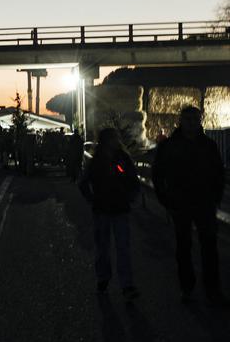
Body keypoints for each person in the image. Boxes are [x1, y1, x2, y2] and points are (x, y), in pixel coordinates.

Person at [151, 106, 227, 306]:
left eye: (194, 119)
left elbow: (218, 173)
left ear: (199, 121)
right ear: (181, 121)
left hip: (203, 203)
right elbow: (158, 175)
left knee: (208, 248)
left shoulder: (206, 145)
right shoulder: (172, 146)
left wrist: (215, 197)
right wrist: (166, 200)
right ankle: (189, 288)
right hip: (182, 203)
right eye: (188, 119)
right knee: (185, 248)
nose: (192, 123)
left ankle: (210, 289)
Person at [79, 128, 140, 300]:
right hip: (107, 209)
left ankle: (122, 284)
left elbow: (83, 183)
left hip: (112, 209)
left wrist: (92, 199)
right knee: (109, 248)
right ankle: (108, 280)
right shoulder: (104, 160)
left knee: (116, 248)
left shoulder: (107, 159)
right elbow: (83, 182)